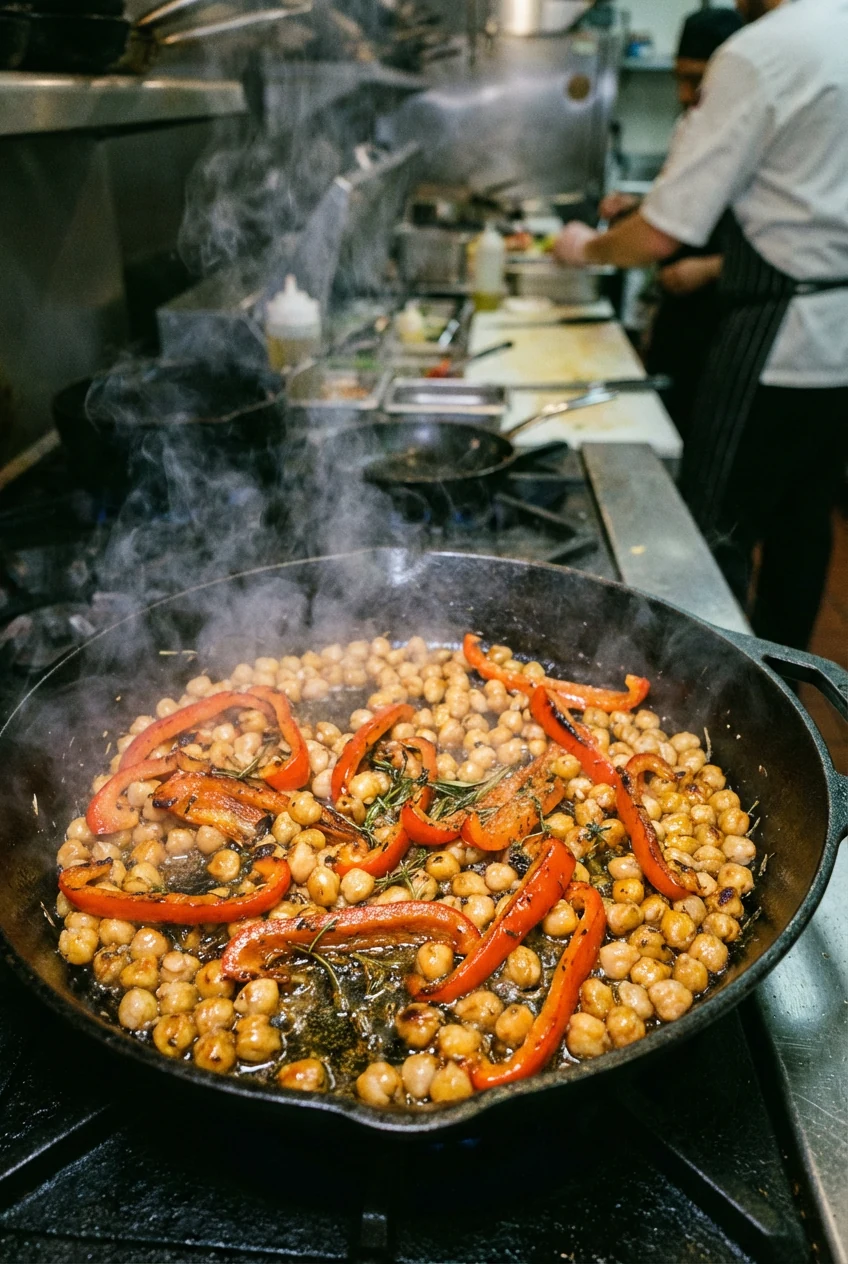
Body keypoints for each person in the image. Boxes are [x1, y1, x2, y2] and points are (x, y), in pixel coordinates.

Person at [554, 0, 848, 650]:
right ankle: (787, 684)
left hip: (775, 339)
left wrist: (583, 248)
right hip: (839, 336)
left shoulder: (760, 50)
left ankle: (716, 690)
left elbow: (665, 232)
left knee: (717, 527)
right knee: (804, 525)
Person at [601, 7, 743, 439]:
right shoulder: (695, 123)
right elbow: (693, 207)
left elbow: (788, 244)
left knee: (699, 436)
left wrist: (712, 267)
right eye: (679, 78)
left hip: (727, 322)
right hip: (679, 314)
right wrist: (639, 206)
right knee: (661, 422)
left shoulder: (752, 130)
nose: (684, 93)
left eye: (697, 80)